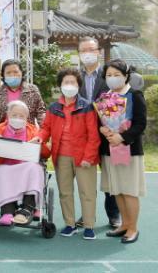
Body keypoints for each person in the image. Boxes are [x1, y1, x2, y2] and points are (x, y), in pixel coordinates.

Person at [34, 68, 100, 240]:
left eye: (73, 82)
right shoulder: (54, 107)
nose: (69, 85)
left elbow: (94, 136)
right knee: (65, 192)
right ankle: (70, 224)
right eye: (66, 82)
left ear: (78, 85)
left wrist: (88, 157)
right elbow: (46, 128)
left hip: (84, 157)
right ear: (60, 85)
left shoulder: (87, 106)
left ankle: (89, 226)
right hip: (61, 156)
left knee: (87, 192)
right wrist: (40, 137)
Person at [99, 59, 146, 244]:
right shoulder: (105, 97)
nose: (113, 78)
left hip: (128, 150)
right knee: (117, 190)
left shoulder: (135, 95)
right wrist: (104, 129)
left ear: (126, 76)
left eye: (117, 74)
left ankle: (133, 228)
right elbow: (100, 121)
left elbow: (141, 124)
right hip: (110, 150)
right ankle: (124, 225)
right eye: (109, 75)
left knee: (129, 191)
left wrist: (122, 137)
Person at [77, 36, 120, 228]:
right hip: (84, 136)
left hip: (108, 134)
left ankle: (114, 215)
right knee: (86, 179)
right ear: (79, 54)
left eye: (91, 50)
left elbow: (118, 101)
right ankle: (87, 215)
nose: (88, 53)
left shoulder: (109, 75)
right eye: (84, 50)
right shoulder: (74, 77)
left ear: (99, 52)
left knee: (111, 175)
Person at [0, 101, 50, 226]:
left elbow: (46, 154)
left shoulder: (33, 130)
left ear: (26, 117)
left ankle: (27, 209)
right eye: (14, 115)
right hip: (5, 166)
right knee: (0, 172)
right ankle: (7, 212)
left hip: (26, 166)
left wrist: (39, 144)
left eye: (21, 116)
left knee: (34, 168)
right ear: (8, 115)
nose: (18, 118)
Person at [0, 59, 46, 174]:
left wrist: (42, 135)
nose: (13, 75)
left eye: (16, 72)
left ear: (22, 73)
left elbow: (41, 112)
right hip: (3, 137)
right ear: (3, 75)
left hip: (27, 137)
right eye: (9, 73)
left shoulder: (32, 90)